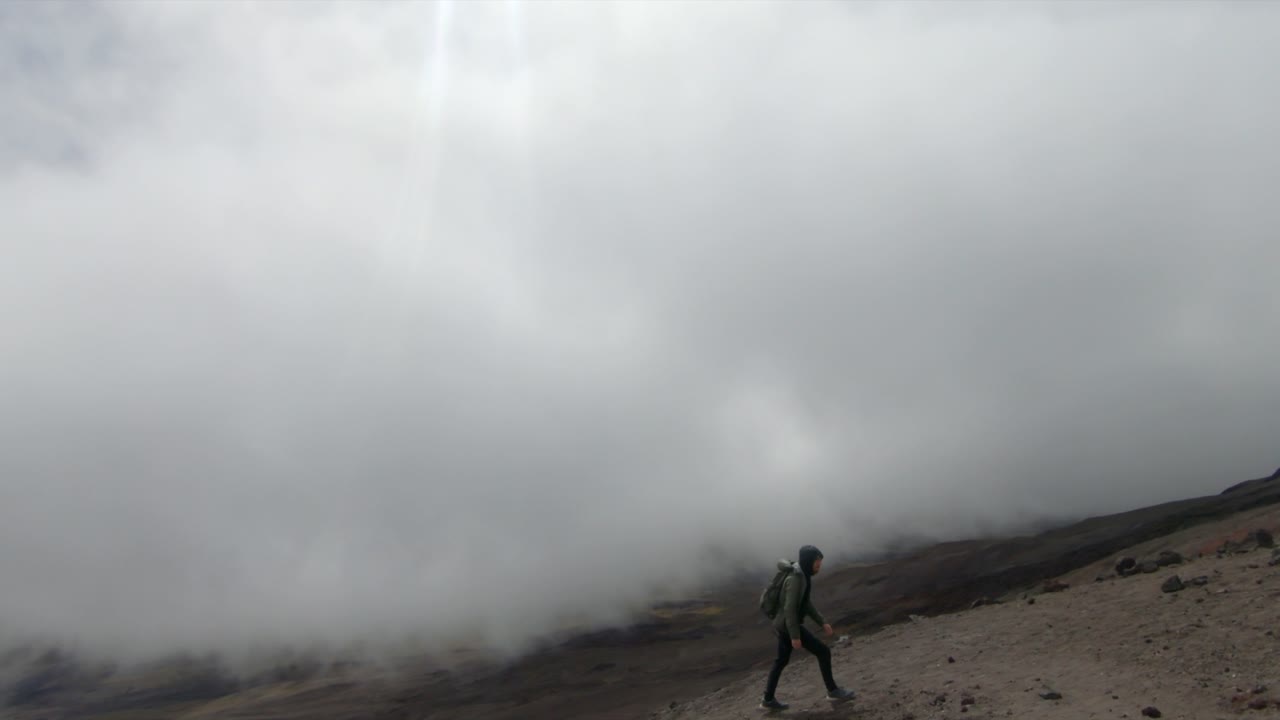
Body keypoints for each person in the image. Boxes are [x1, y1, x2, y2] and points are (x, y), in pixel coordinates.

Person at [760, 545, 855, 710]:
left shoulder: (802, 575)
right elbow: (790, 609)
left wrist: (822, 622)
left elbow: (805, 603)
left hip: (783, 626)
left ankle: (768, 700)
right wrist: (795, 636)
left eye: (820, 563)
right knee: (823, 652)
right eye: (817, 563)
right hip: (788, 626)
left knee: (781, 661)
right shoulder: (796, 579)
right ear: (808, 561)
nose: (819, 566)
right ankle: (833, 691)